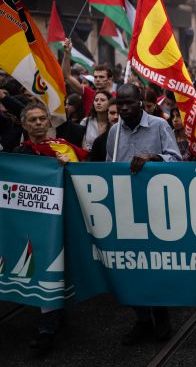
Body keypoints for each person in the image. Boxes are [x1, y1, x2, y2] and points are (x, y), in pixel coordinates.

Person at [106, 84, 182, 345]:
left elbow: (176, 160)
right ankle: (141, 319)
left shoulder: (160, 126)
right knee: (131, 266)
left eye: (129, 102)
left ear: (140, 102)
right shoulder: (114, 132)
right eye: (120, 103)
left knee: (154, 263)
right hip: (125, 208)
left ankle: (161, 316)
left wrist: (153, 157)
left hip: (155, 208)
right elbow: (108, 167)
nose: (123, 108)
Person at [13, 101, 87, 353]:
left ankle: (49, 326)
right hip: (32, 226)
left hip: (61, 221)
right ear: (24, 124)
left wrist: (69, 166)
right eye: (32, 120)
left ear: (48, 121)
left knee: (56, 269)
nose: (37, 124)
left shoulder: (63, 148)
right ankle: (51, 322)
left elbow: (82, 179)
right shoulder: (18, 155)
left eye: (41, 119)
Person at [62, 38, 114, 115]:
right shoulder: (88, 93)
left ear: (109, 79)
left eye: (101, 77)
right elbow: (67, 76)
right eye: (95, 77)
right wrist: (67, 53)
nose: (97, 80)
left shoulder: (116, 97)